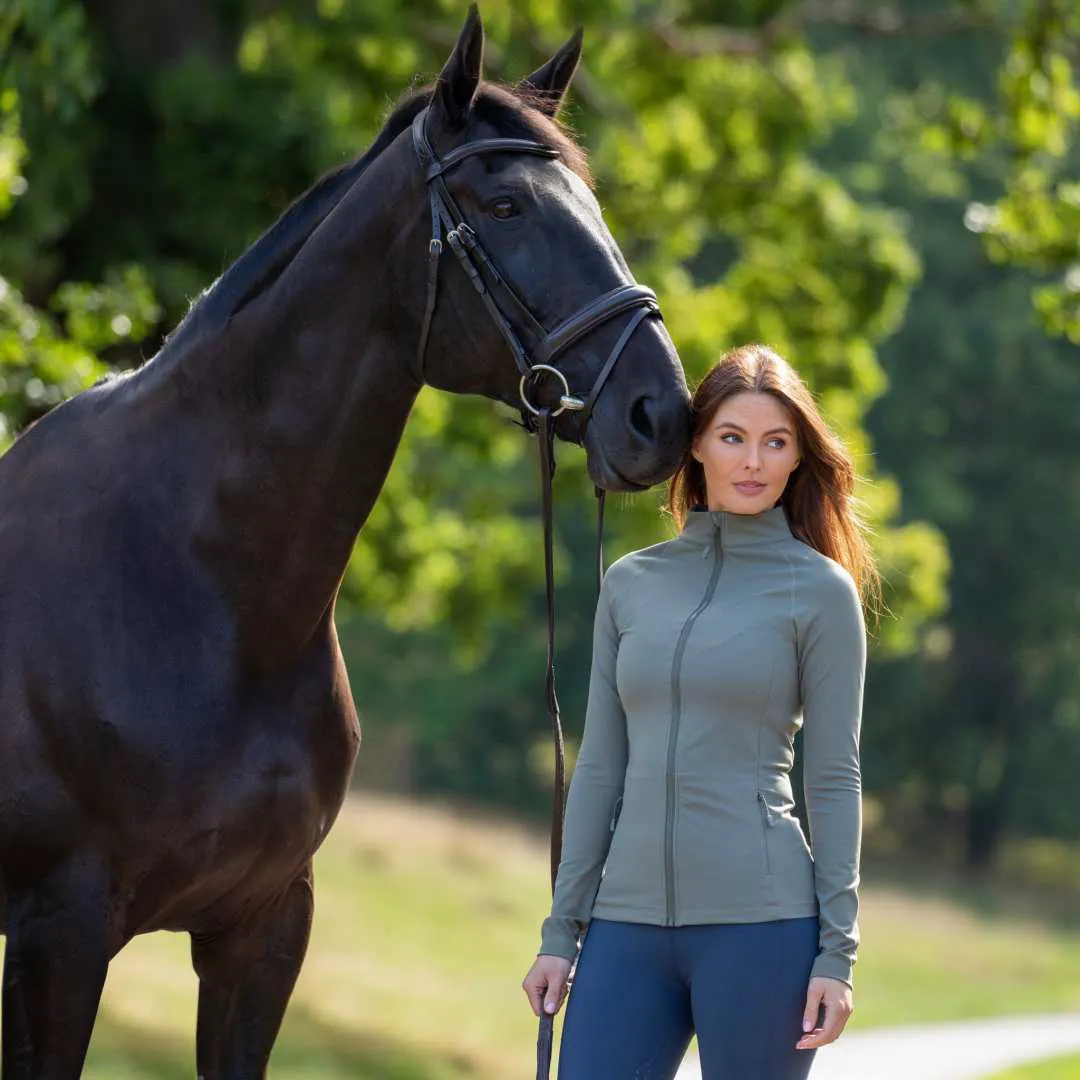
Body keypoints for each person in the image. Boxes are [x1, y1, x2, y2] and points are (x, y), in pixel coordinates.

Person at [522, 343, 877, 1080]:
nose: (753, 461)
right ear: (696, 444)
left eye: (775, 443)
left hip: (763, 926)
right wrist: (561, 933)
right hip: (626, 926)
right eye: (733, 437)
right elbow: (600, 768)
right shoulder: (632, 584)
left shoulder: (819, 594)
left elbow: (835, 778)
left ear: (796, 460)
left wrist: (837, 954)